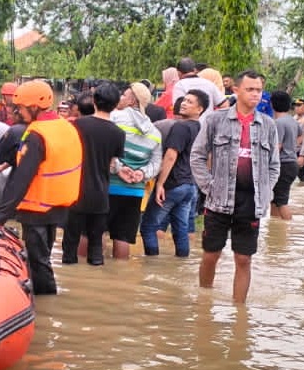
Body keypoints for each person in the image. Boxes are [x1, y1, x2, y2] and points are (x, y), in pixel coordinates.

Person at [191, 70, 280, 304]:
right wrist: (208, 186)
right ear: (236, 90)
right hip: (218, 198)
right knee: (211, 254)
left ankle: (239, 310)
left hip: (250, 202)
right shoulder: (214, 120)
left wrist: (265, 191)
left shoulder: (268, 125)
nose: (255, 94)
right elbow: (197, 156)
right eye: (250, 89)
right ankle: (204, 301)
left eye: (259, 90)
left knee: (244, 259)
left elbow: (274, 166)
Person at [0, 80, 84, 295]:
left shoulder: (37, 135)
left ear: (34, 107)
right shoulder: (65, 127)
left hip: (37, 209)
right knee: (45, 257)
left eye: (20, 108)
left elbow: (21, 179)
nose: (17, 113)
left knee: (39, 262)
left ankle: (46, 308)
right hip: (58, 206)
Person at [62, 84, 126, 266]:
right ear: (115, 105)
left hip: (75, 192)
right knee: (96, 246)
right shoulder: (118, 134)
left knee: (70, 247)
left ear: (94, 101)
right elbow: (111, 164)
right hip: (100, 194)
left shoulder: (76, 125)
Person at [142, 89, 209, 255]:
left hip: (173, 184)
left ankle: (151, 265)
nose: (184, 104)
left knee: (148, 226)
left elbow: (171, 156)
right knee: (181, 229)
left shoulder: (181, 127)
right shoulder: (200, 128)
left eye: (190, 102)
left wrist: (160, 184)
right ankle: (181, 263)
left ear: (200, 109)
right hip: (189, 186)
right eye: (184, 100)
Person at [107, 82, 162, 260]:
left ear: (132, 100)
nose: (120, 98)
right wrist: (142, 174)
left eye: (124, 95)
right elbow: (156, 164)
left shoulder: (114, 118)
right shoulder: (155, 131)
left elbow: (105, 151)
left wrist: (119, 168)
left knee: (96, 232)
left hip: (109, 185)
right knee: (123, 237)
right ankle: (121, 279)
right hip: (135, 190)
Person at [269, 91, 301, 219]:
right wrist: (292, 147)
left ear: (272, 104)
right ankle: (276, 230)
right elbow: (300, 136)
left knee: (281, 201)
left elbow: (277, 146)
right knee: (275, 200)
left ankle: (288, 227)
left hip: (283, 165)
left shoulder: (278, 123)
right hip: (291, 164)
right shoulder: (293, 121)